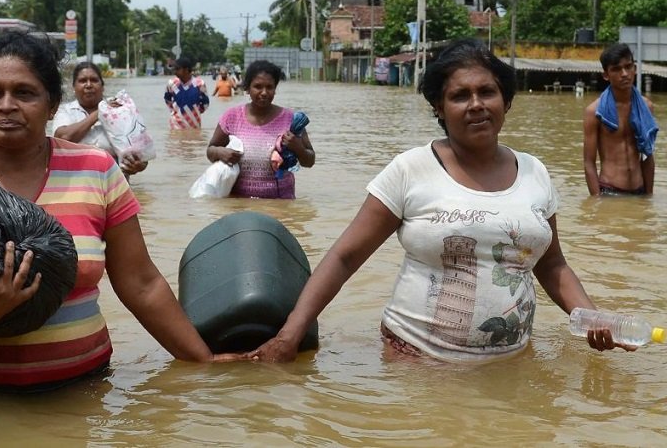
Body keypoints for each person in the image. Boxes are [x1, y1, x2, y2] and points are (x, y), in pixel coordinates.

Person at [247, 39, 633, 363]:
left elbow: (552, 264)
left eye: (487, 92)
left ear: (506, 101)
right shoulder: (411, 169)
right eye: (460, 96)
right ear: (438, 107)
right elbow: (345, 257)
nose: (476, 104)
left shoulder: (536, 173)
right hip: (416, 359)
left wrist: (591, 317)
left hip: (511, 364)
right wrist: (289, 336)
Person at [0, 33, 239, 403]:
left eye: (25, 93)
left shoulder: (96, 169)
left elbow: (141, 284)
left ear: (52, 105)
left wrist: (203, 362)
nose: (7, 105)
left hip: (81, 394)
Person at [206, 60, 315, 199]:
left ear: (275, 88)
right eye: (258, 86)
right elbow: (210, 151)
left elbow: (310, 161)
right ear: (247, 88)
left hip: (280, 203)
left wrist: (298, 148)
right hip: (238, 204)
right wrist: (220, 152)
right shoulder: (232, 117)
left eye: (269, 87)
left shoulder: (291, 120)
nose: (264, 92)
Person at [583, 43, 657, 196]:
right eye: (616, 69)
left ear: (634, 68)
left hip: (639, 190)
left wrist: (649, 197)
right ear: (606, 75)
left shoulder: (646, 107)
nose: (624, 74)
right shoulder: (595, 112)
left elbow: (647, 155)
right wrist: (597, 201)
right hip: (609, 190)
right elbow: (589, 162)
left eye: (628, 67)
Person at [52, 61, 148, 178]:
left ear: (102, 86)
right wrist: (99, 113)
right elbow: (62, 138)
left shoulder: (119, 110)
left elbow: (143, 154)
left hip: (115, 183)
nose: (88, 85)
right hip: (75, 183)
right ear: (74, 87)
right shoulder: (65, 111)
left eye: (94, 80)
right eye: (82, 81)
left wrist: (138, 166)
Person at [164, 56, 209, 129]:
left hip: (194, 123)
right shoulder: (172, 83)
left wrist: (196, 112)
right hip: (176, 124)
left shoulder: (199, 84)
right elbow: (167, 99)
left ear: (186, 70)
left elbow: (205, 103)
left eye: (177, 69)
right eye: (174, 69)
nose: (175, 72)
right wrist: (173, 111)